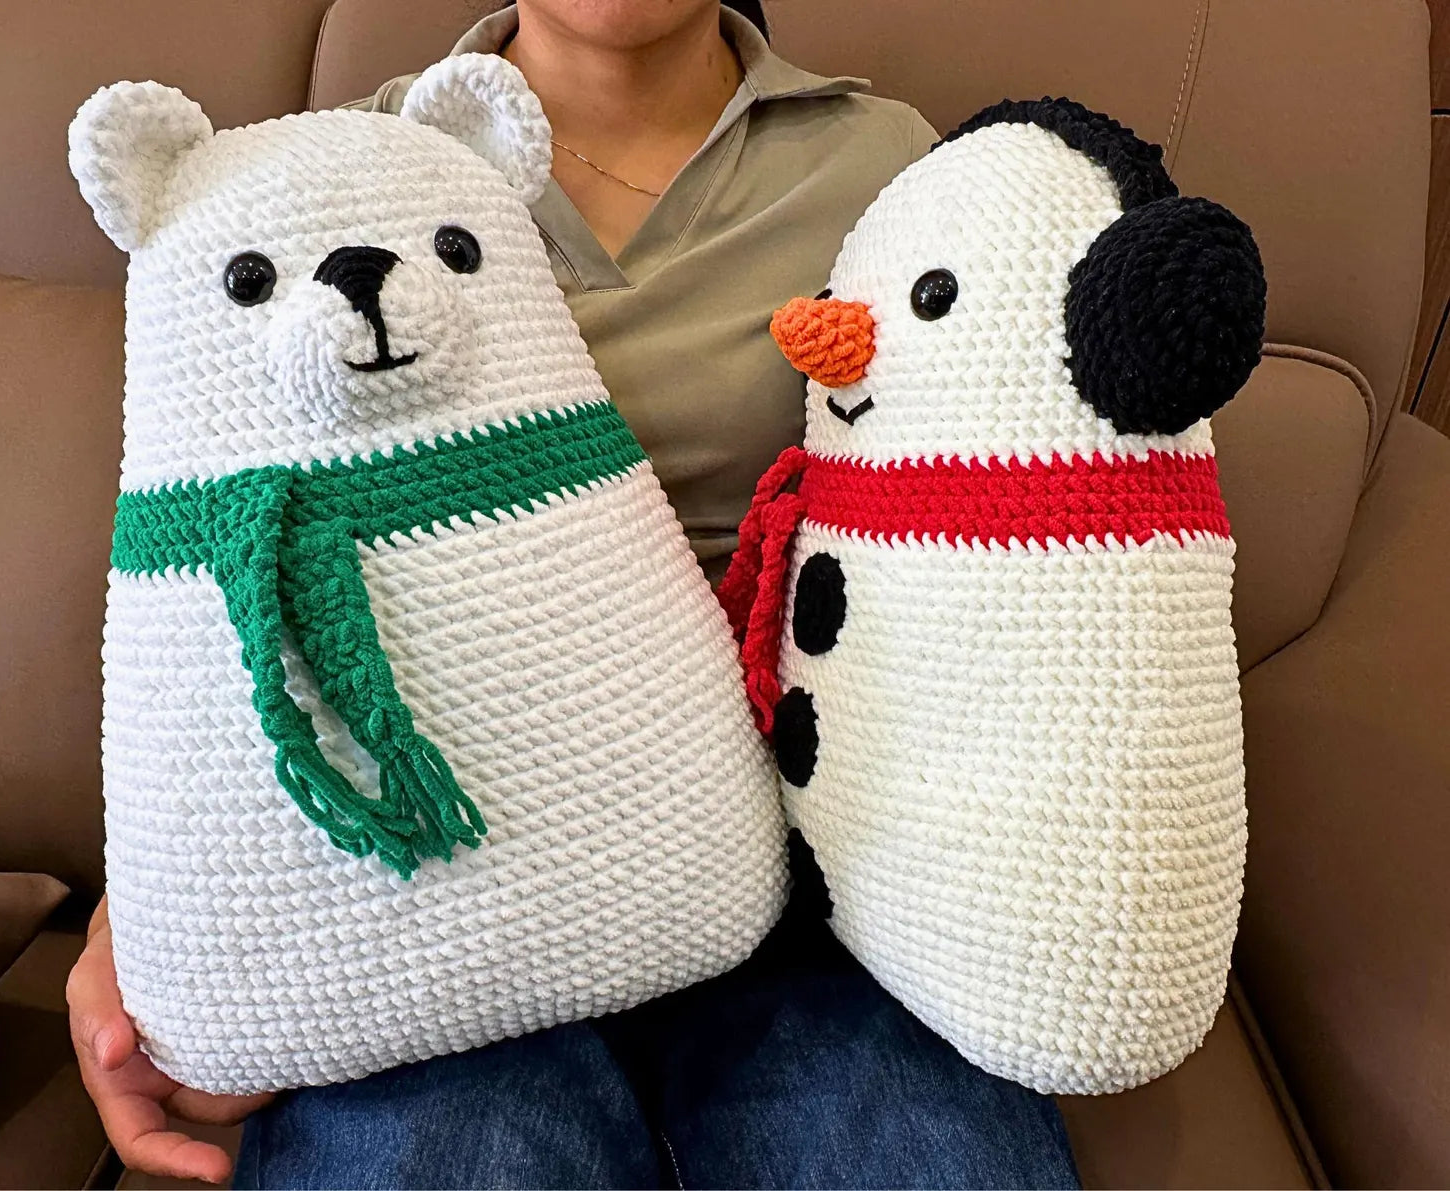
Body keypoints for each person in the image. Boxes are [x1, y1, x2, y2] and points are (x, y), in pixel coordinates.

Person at [66, 2, 1082, 1186]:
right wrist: (158, 917)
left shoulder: (884, 165)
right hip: (424, 873)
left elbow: (996, 539)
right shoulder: (313, 170)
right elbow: (211, 582)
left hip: (815, 861)